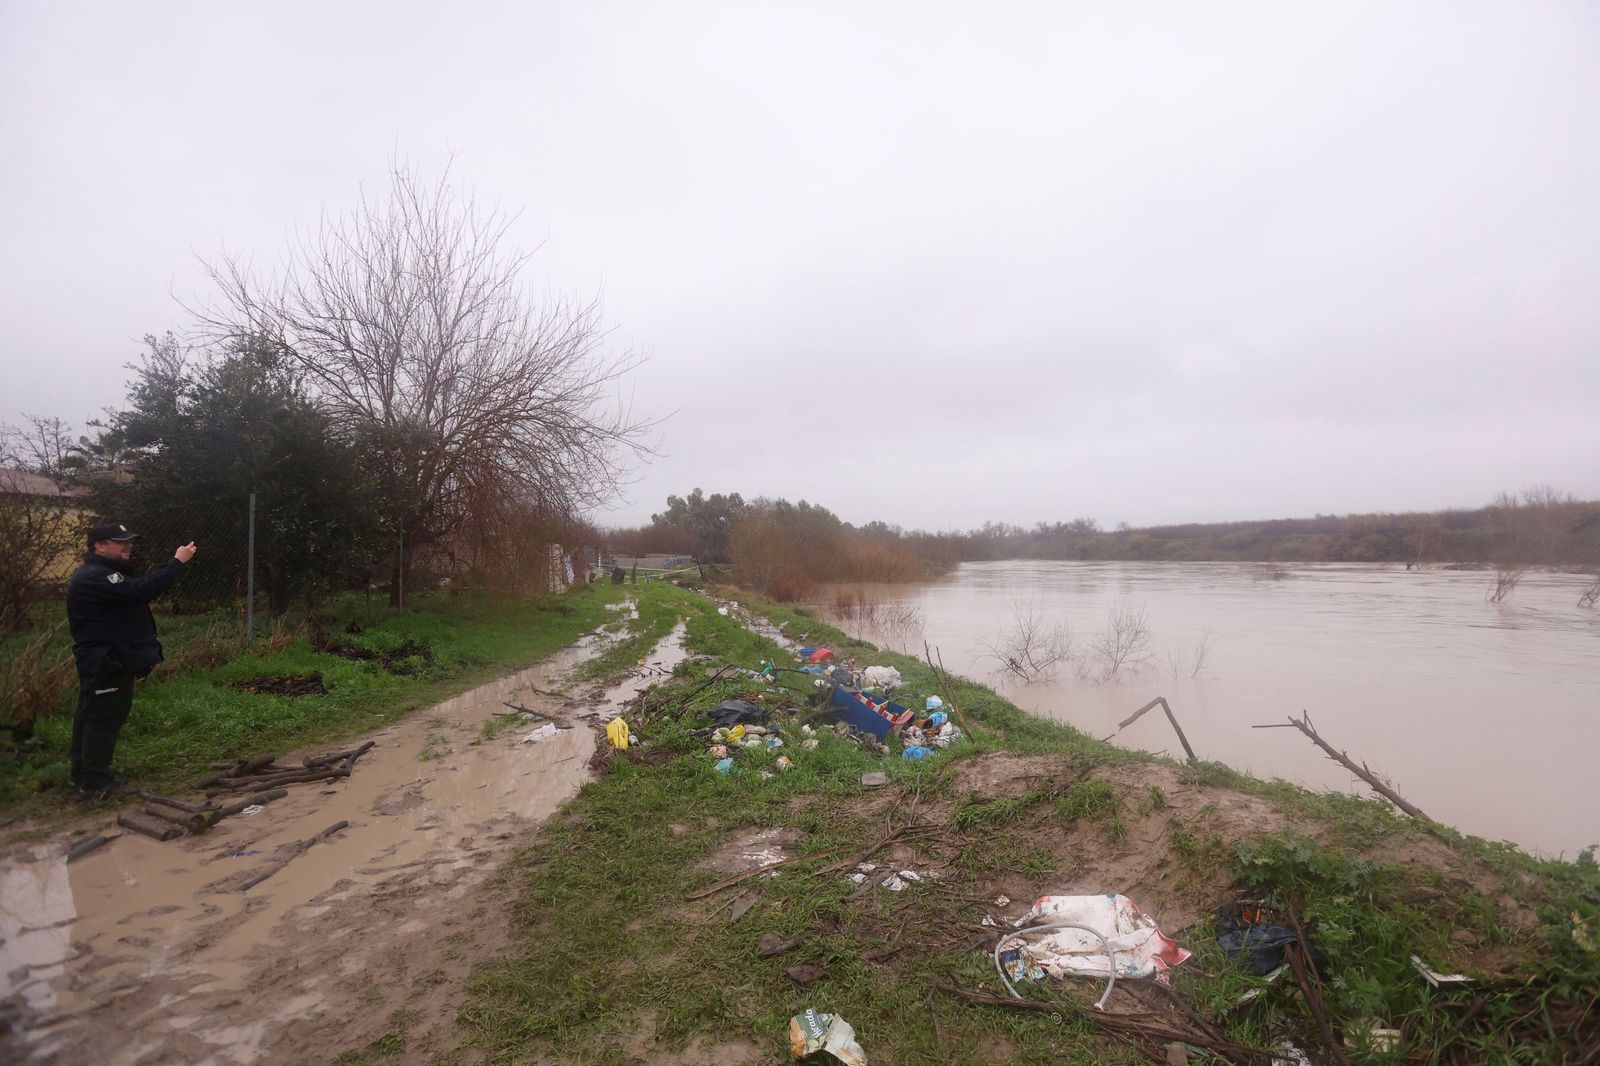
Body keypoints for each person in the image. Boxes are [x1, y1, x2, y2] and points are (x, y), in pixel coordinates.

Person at [65, 523, 197, 798]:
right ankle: (95, 783)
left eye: (128, 542)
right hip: (106, 662)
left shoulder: (105, 574)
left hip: (107, 660)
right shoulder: (96, 576)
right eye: (119, 542)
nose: (127, 546)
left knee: (92, 716)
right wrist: (176, 562)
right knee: (102, 720)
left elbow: (136, 586)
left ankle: (83, 776)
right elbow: (142, 590)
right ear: (99, 545)